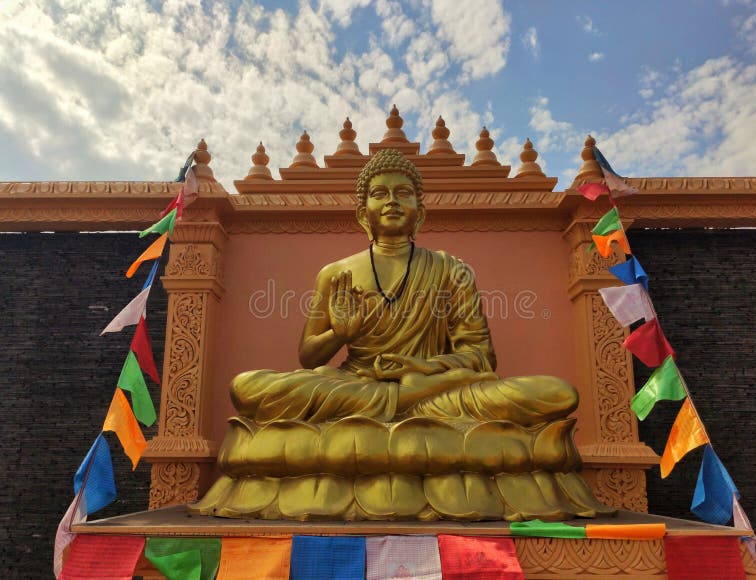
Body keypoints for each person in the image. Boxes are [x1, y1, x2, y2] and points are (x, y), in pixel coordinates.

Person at [192, 149, 611, 521]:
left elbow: (481, 357)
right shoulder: (335, 274)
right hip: (358, 385)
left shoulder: (452, 269)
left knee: (556, 393)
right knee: (248, 388)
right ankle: (402, 408)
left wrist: (421, 369)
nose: (392, 201)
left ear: (419, 211)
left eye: (402, 193)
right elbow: (308, 357)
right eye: (380, 193)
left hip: (435, 390)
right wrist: (339, 334)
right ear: (363, 213)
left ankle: (400, 407)